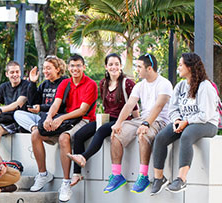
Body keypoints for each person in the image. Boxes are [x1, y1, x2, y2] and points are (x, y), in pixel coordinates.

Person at [30, 54, 98, 202]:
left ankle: (66, 182)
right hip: (66, 120)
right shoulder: (65, 83)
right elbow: (56, 103)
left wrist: (60, 118)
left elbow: (82, 111)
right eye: (72, 66)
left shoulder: (91, 84)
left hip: (83, 120)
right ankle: (43, 174)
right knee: (36, 133)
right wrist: (49, 118)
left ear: (84, 67)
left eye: (78, 65)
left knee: (63, 137)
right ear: (68, 67)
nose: (75, 69)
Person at [150, 53, 219, 195]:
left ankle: (181, 179)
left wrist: (185, 122)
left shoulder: (205, 86)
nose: (178, 68)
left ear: (190, 67)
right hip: (185, 122)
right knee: (161, 137)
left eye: (181, 65)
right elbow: (173, 109)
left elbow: (205, 114)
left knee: (186, 135)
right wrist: (176, 120)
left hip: (207, 124)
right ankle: (159, 178)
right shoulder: (180, 86)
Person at [103, 53, 173, 194]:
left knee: (142, 134)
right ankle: (117, 175)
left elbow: (158, 107)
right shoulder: (140, 85)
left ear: (149, 68)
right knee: (116, 134)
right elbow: (129, 105)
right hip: (142, 119)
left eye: (139, 67)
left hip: (160, 121)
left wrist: (146, 124)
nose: (137, 70)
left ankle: (143, 176)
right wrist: (118, 123)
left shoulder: (164, 83)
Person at [66, 53, 139, 186]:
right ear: (106, 67)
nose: (114, 67)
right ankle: (76, 174)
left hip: (122, 120)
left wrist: (138, 123)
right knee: (79, 135)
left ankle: (83, 157)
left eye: (116, 64)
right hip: (106, 117)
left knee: (101, 130)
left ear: (121, 66)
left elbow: (133, 107)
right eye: (110, 64)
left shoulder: (128, 83)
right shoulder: (103, 83)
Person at [14, 55, 67, 133]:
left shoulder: (64, 82)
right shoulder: (45, 83)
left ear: (57, 69)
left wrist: (41, 108)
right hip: (42, 117)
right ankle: (35, 128)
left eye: (48, 68)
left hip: (56, 118)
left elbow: (60, 105)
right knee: (17, 114)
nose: (45, 71)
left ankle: (38, 129)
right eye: (44, 68)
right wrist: (32, 82)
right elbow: (33, 101)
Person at [0, 61, 29, 146]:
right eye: (12, 72)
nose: (15, 75)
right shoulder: (3, 86)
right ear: (7, 74)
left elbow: (18, 104)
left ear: (20, 73)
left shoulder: (26, 85)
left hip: (19, 120)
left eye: (17, 72)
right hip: (6, 118)